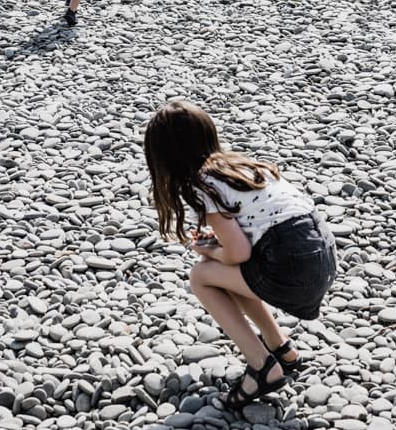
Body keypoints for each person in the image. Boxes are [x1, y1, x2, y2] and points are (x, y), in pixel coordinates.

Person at [143, 99, 338, 412]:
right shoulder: (244, 168)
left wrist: (210, 251)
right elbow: (262, 228)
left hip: (294, 270)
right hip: (322, 257)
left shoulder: (204, 184)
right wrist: (219, 249)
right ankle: (281, 348)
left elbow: (238, 252)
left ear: (165, 158)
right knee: (230, 271)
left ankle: (262, 367)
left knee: (201, 276)